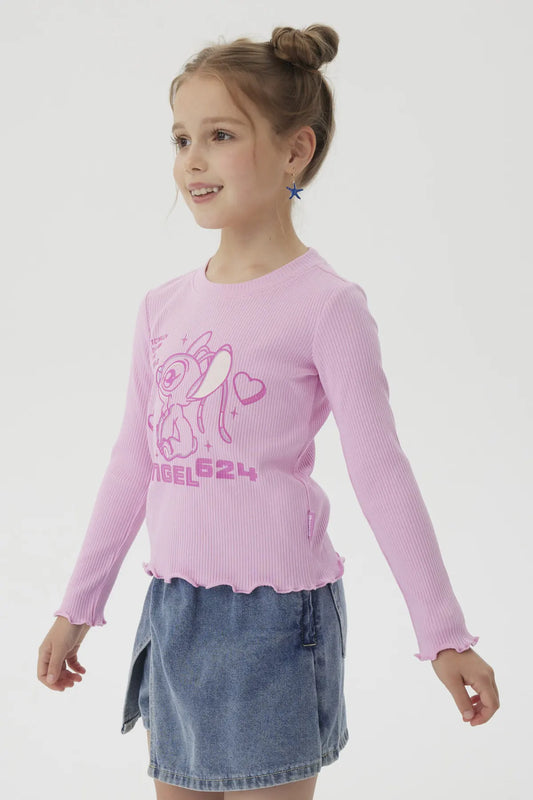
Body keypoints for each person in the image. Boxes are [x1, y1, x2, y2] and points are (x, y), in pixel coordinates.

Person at [37, 22, 499, 799]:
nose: (191, 159)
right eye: (181, 137)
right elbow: (132, 464)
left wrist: (442, 634)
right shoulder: (161, 308)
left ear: (295, 151)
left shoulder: (326, 306)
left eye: (220, 135)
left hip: (276, 621)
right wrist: (77, 605)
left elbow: (380, 473)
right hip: (173, 609)